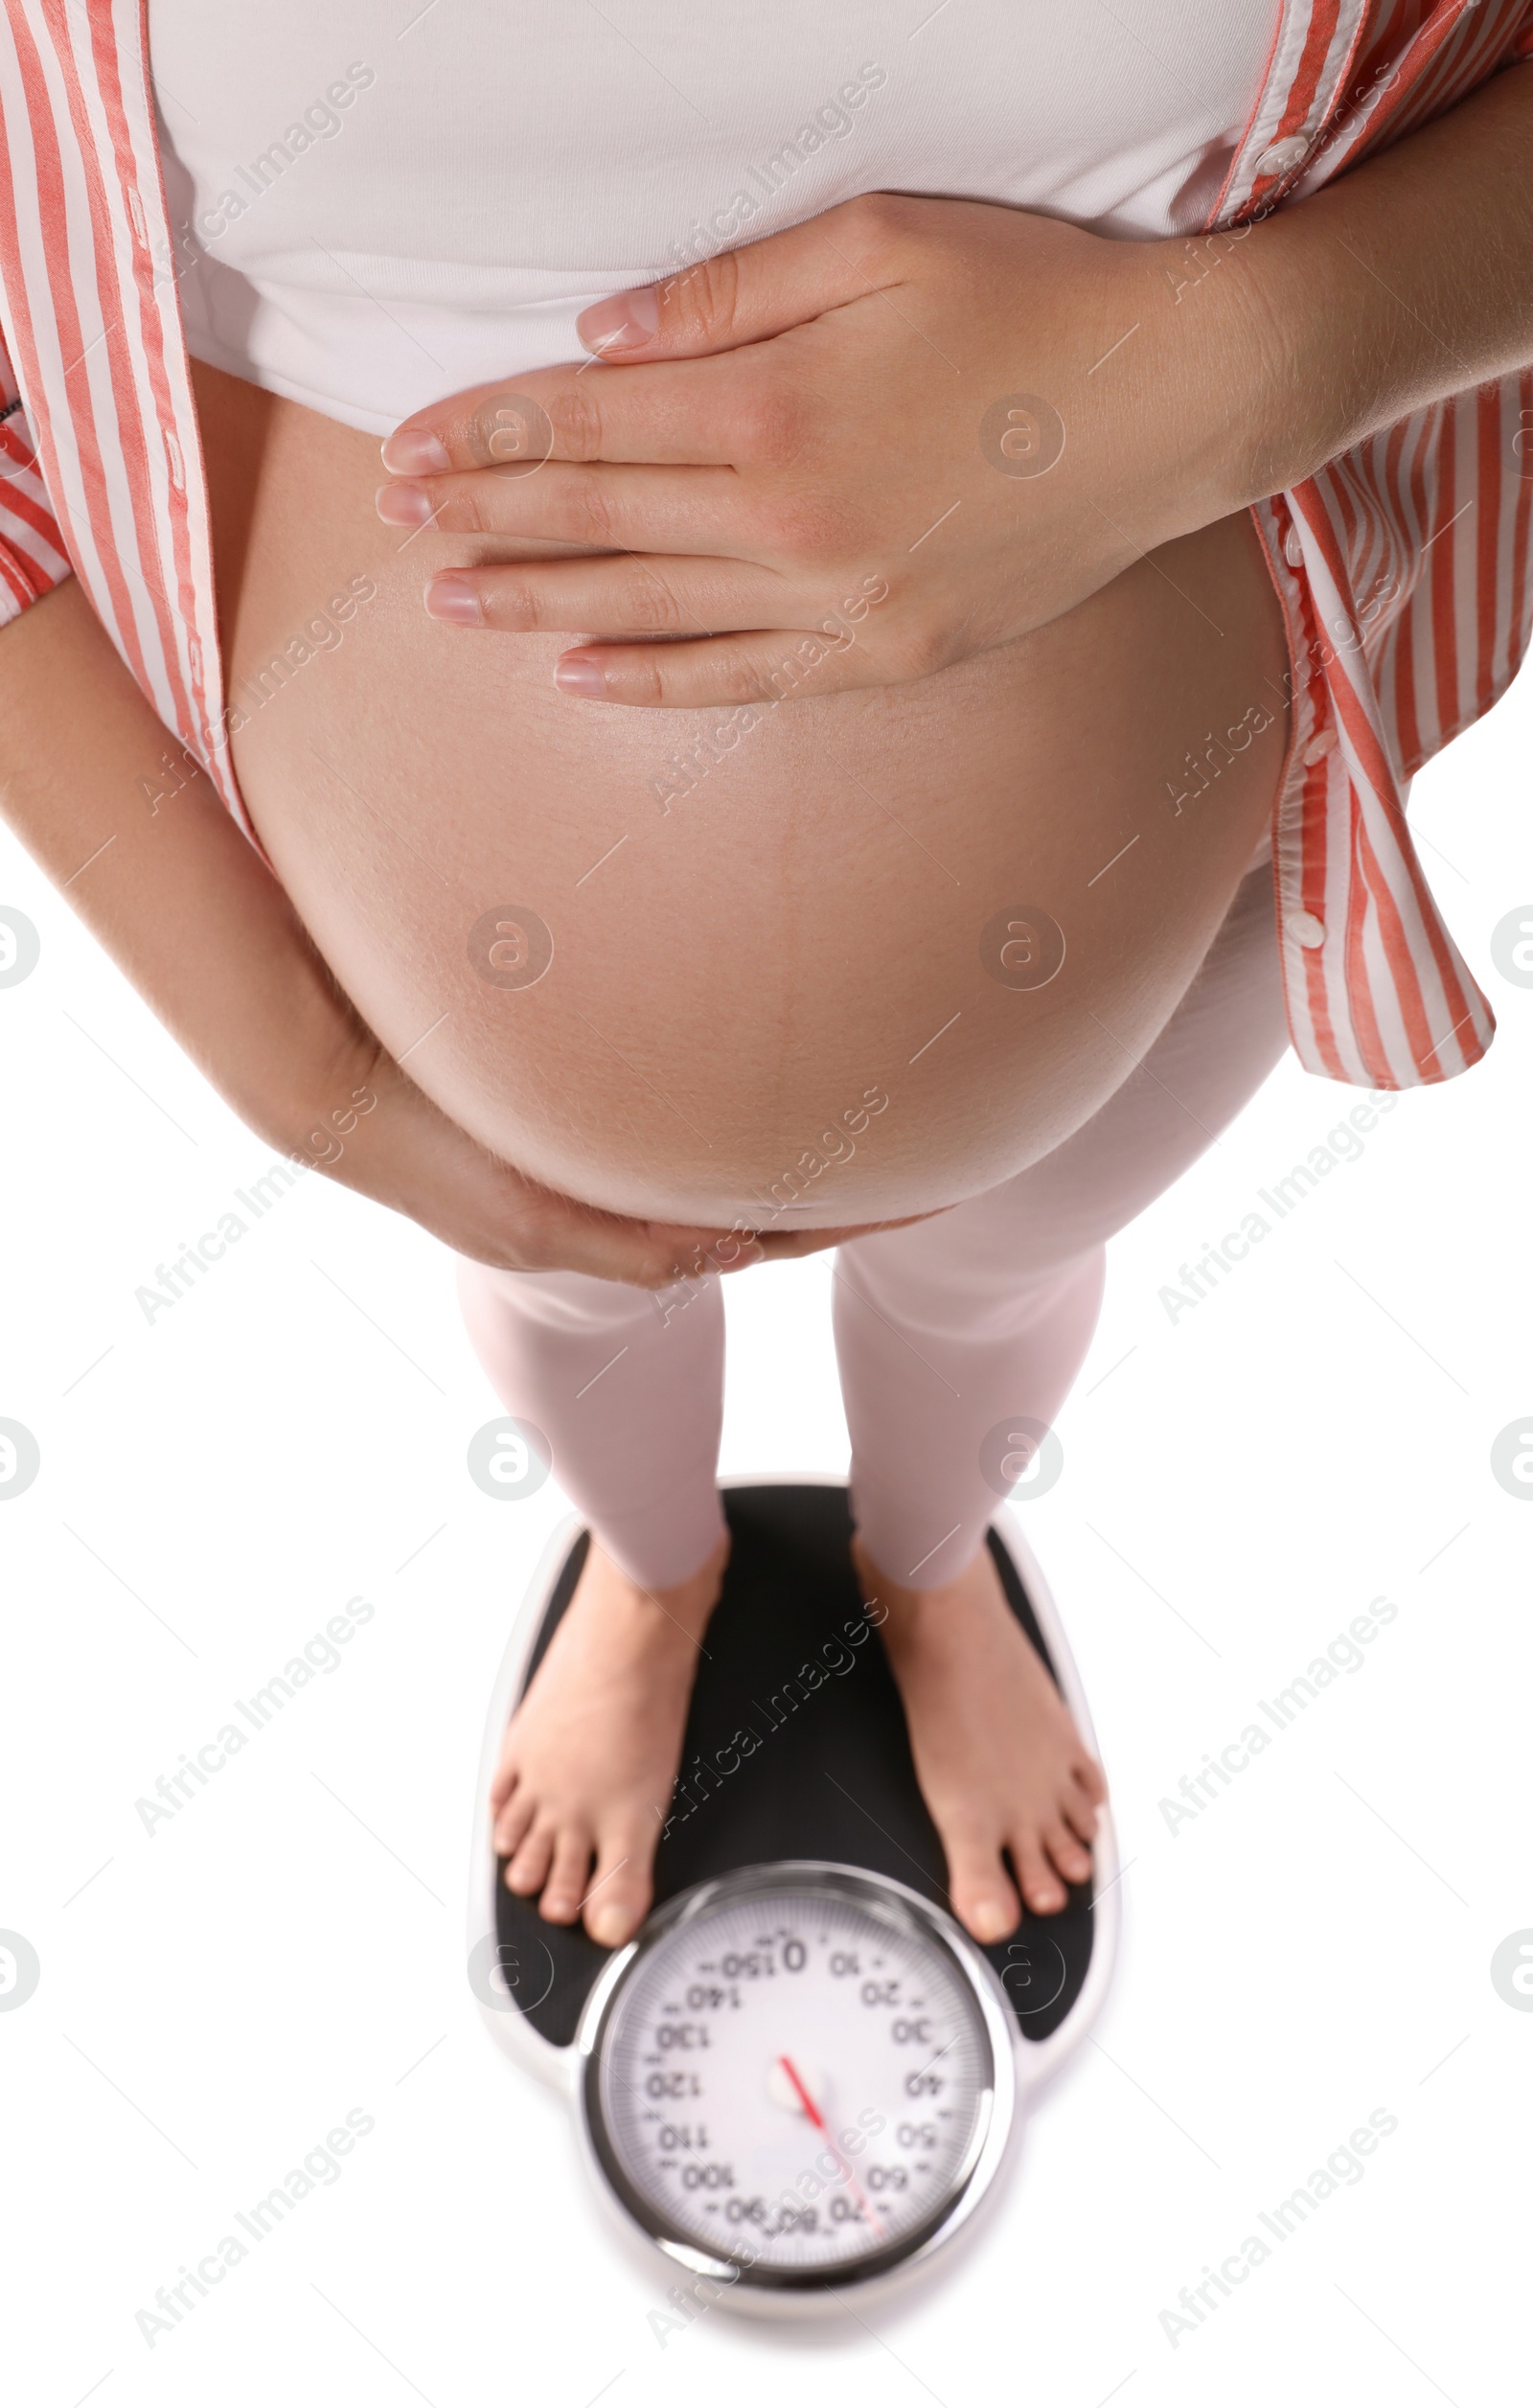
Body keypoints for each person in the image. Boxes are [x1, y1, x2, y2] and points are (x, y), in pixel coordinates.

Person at [1, 5, 1529, 1954]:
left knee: (997, 1275)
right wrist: (297, 1066)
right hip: (404, 992)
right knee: (566, 1296)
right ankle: (646, 1577)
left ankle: (927, 1563)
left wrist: (1246, 370)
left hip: (1189, 880)